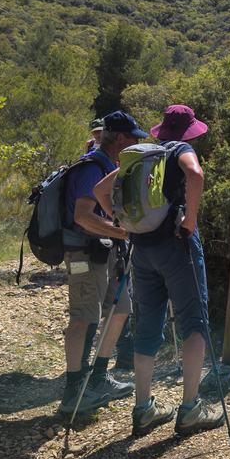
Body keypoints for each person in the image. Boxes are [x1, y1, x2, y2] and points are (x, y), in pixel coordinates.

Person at [94, 104, 225, 437]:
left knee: (147, 325)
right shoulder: (181, 149)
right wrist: (190, 222)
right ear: (187, 131)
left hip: (143, 251)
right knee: (194, 323)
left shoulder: (142, 154)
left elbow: (99, 191)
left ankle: (144, 408)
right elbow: (195, 175)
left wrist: (124, 224)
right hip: (177, 247)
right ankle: (190, 409)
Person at [59, 110, 145, 415]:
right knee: (84, 318)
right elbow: (83, 216)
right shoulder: (92, 168)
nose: (136, 143)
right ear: (120, 138)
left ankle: (98, 377)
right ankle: (74, 390)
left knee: (120, 312)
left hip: (106, 252)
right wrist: (123, 232)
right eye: (134, 138)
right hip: (85, 254)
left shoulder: (109, 165)